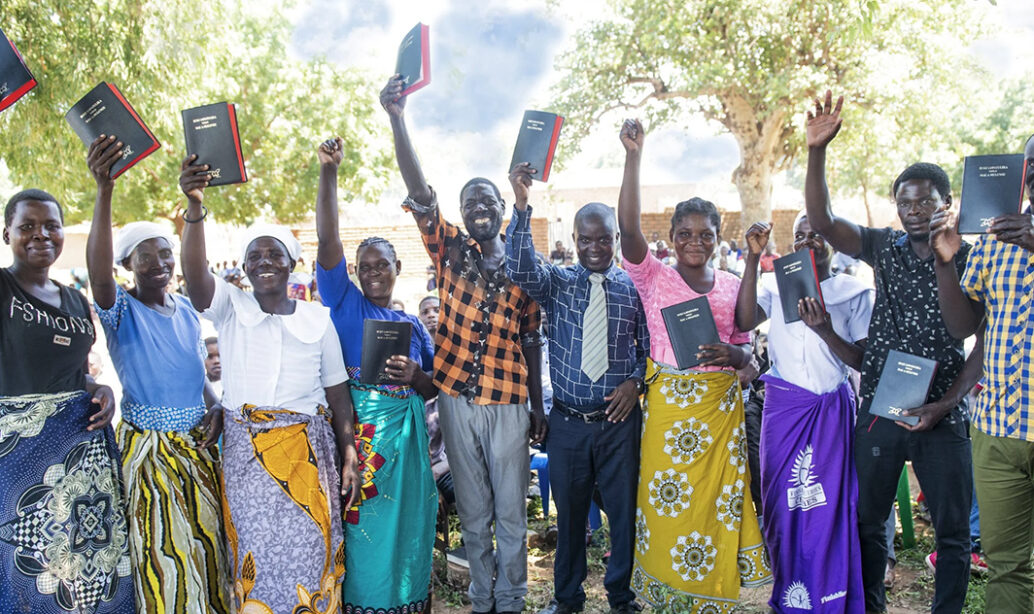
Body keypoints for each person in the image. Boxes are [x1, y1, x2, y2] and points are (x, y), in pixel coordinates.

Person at [804, 91, 983, 614]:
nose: (914, 211)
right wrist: (817, 151)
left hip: (940, 413)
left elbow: (968, 332)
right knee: (867, 522)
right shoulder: (885, 247)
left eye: (925, 201)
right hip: (881, 410)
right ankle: (872, 606)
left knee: (952, 534)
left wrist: (945, 405)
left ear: (946, 203)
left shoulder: (970, 258)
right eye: (905, 203)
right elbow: (824, 219)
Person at [381, 75, 547, 614]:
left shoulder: (524, 265)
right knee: (474, 512)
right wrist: (398, 118)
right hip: (455, 400)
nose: (478, 207)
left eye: (486, 200)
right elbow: (419, 191)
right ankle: (482, 598)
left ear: (501, 207)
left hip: (509, 403)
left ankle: (512, 598)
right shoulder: (449, 248)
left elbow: (531, 338)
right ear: (461, 210)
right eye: (469, 201)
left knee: (511, 513)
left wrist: (537, 406)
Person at [178, 154, 361, 613]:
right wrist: (195, 206)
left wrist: (350, 454)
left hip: (308, 459)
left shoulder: (318, 320)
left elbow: (338, 394)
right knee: (255, 560)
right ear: (243, 267)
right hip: (247, 460)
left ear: (291, 264)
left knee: (312, 555)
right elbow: (196, 280)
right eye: (254, 256)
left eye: (274, 254)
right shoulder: (230, 307)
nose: (264, 262)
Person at [617, 119, 770, 612]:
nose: (695, 241)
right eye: (684, 233)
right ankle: (666, 592)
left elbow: (747, 343)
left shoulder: (730, 284)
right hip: (669, 413)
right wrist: (634, 156)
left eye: (705, 234)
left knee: (713, 503)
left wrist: (736, 355)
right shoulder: (653, 277)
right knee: (667, 502)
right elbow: (628, 230)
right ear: (672, 237)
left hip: (718, 414)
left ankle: (711, 596)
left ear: (718, 238)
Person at [84, 136, 229, 613]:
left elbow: (196, 373)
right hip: (150, 455)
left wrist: (215, 407)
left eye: (166, 253)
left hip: (196, 450)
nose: (161, 264)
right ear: (128, 265)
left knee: (208, 551)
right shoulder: (120, 309)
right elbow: (97, 274)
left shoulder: (186, 309)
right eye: (146, 256)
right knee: (165, 557)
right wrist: (104, 190)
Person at [506, 165, 649, 614]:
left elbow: (649, 348)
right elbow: (520, 267)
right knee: (569, 517)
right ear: (574, 239)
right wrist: (522, 205)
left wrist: (636, 381)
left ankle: (621, 597)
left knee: (622, 514)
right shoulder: (558, 283)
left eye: (603, 239)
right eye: (585, 240)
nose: (594, 248)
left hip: (618, 424)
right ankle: (567, 598)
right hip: (568, 423)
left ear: (616, 239)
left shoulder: (633, 289)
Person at [314, 137, 438, 614]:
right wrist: (329, 172)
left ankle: (407, 600)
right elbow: (328, 241)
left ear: (397, 268)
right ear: (354, 272)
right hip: (360, 444)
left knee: (407, 521)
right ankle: (364, 604)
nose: (373, 273)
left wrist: (415, 376)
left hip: (405, 450)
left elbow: (434, 387)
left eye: (381, 265)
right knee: (362, 525)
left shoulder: (413, 325)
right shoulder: (344, 303)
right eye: (364, 267)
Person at [0, 187, 135, 613]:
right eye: (27, 226)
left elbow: (75, 374)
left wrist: (99, 389)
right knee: (27, 572)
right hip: (18, 465)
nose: (41, 235)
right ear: (7, 234)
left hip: (79, 467)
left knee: (84, 570)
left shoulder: (75, 299)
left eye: (51, 226)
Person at [735, 215, 873, 613]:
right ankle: (791, 596)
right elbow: (745, 321)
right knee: (782, 504)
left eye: (817, 234)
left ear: (834, 240)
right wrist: (753, 258)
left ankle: (829, 597)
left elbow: (864, 360)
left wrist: (825, 329)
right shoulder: (775, 287)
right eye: (800, 236)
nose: (808, 241)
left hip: (830, 413)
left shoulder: (853, 292)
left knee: (828, 508)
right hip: (784, 412)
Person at [927, 133, 1034, 613]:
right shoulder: (994, 237)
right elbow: (965, 326)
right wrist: (945, 262)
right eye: (1031, 164)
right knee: (1007, 565)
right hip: (998, 428)